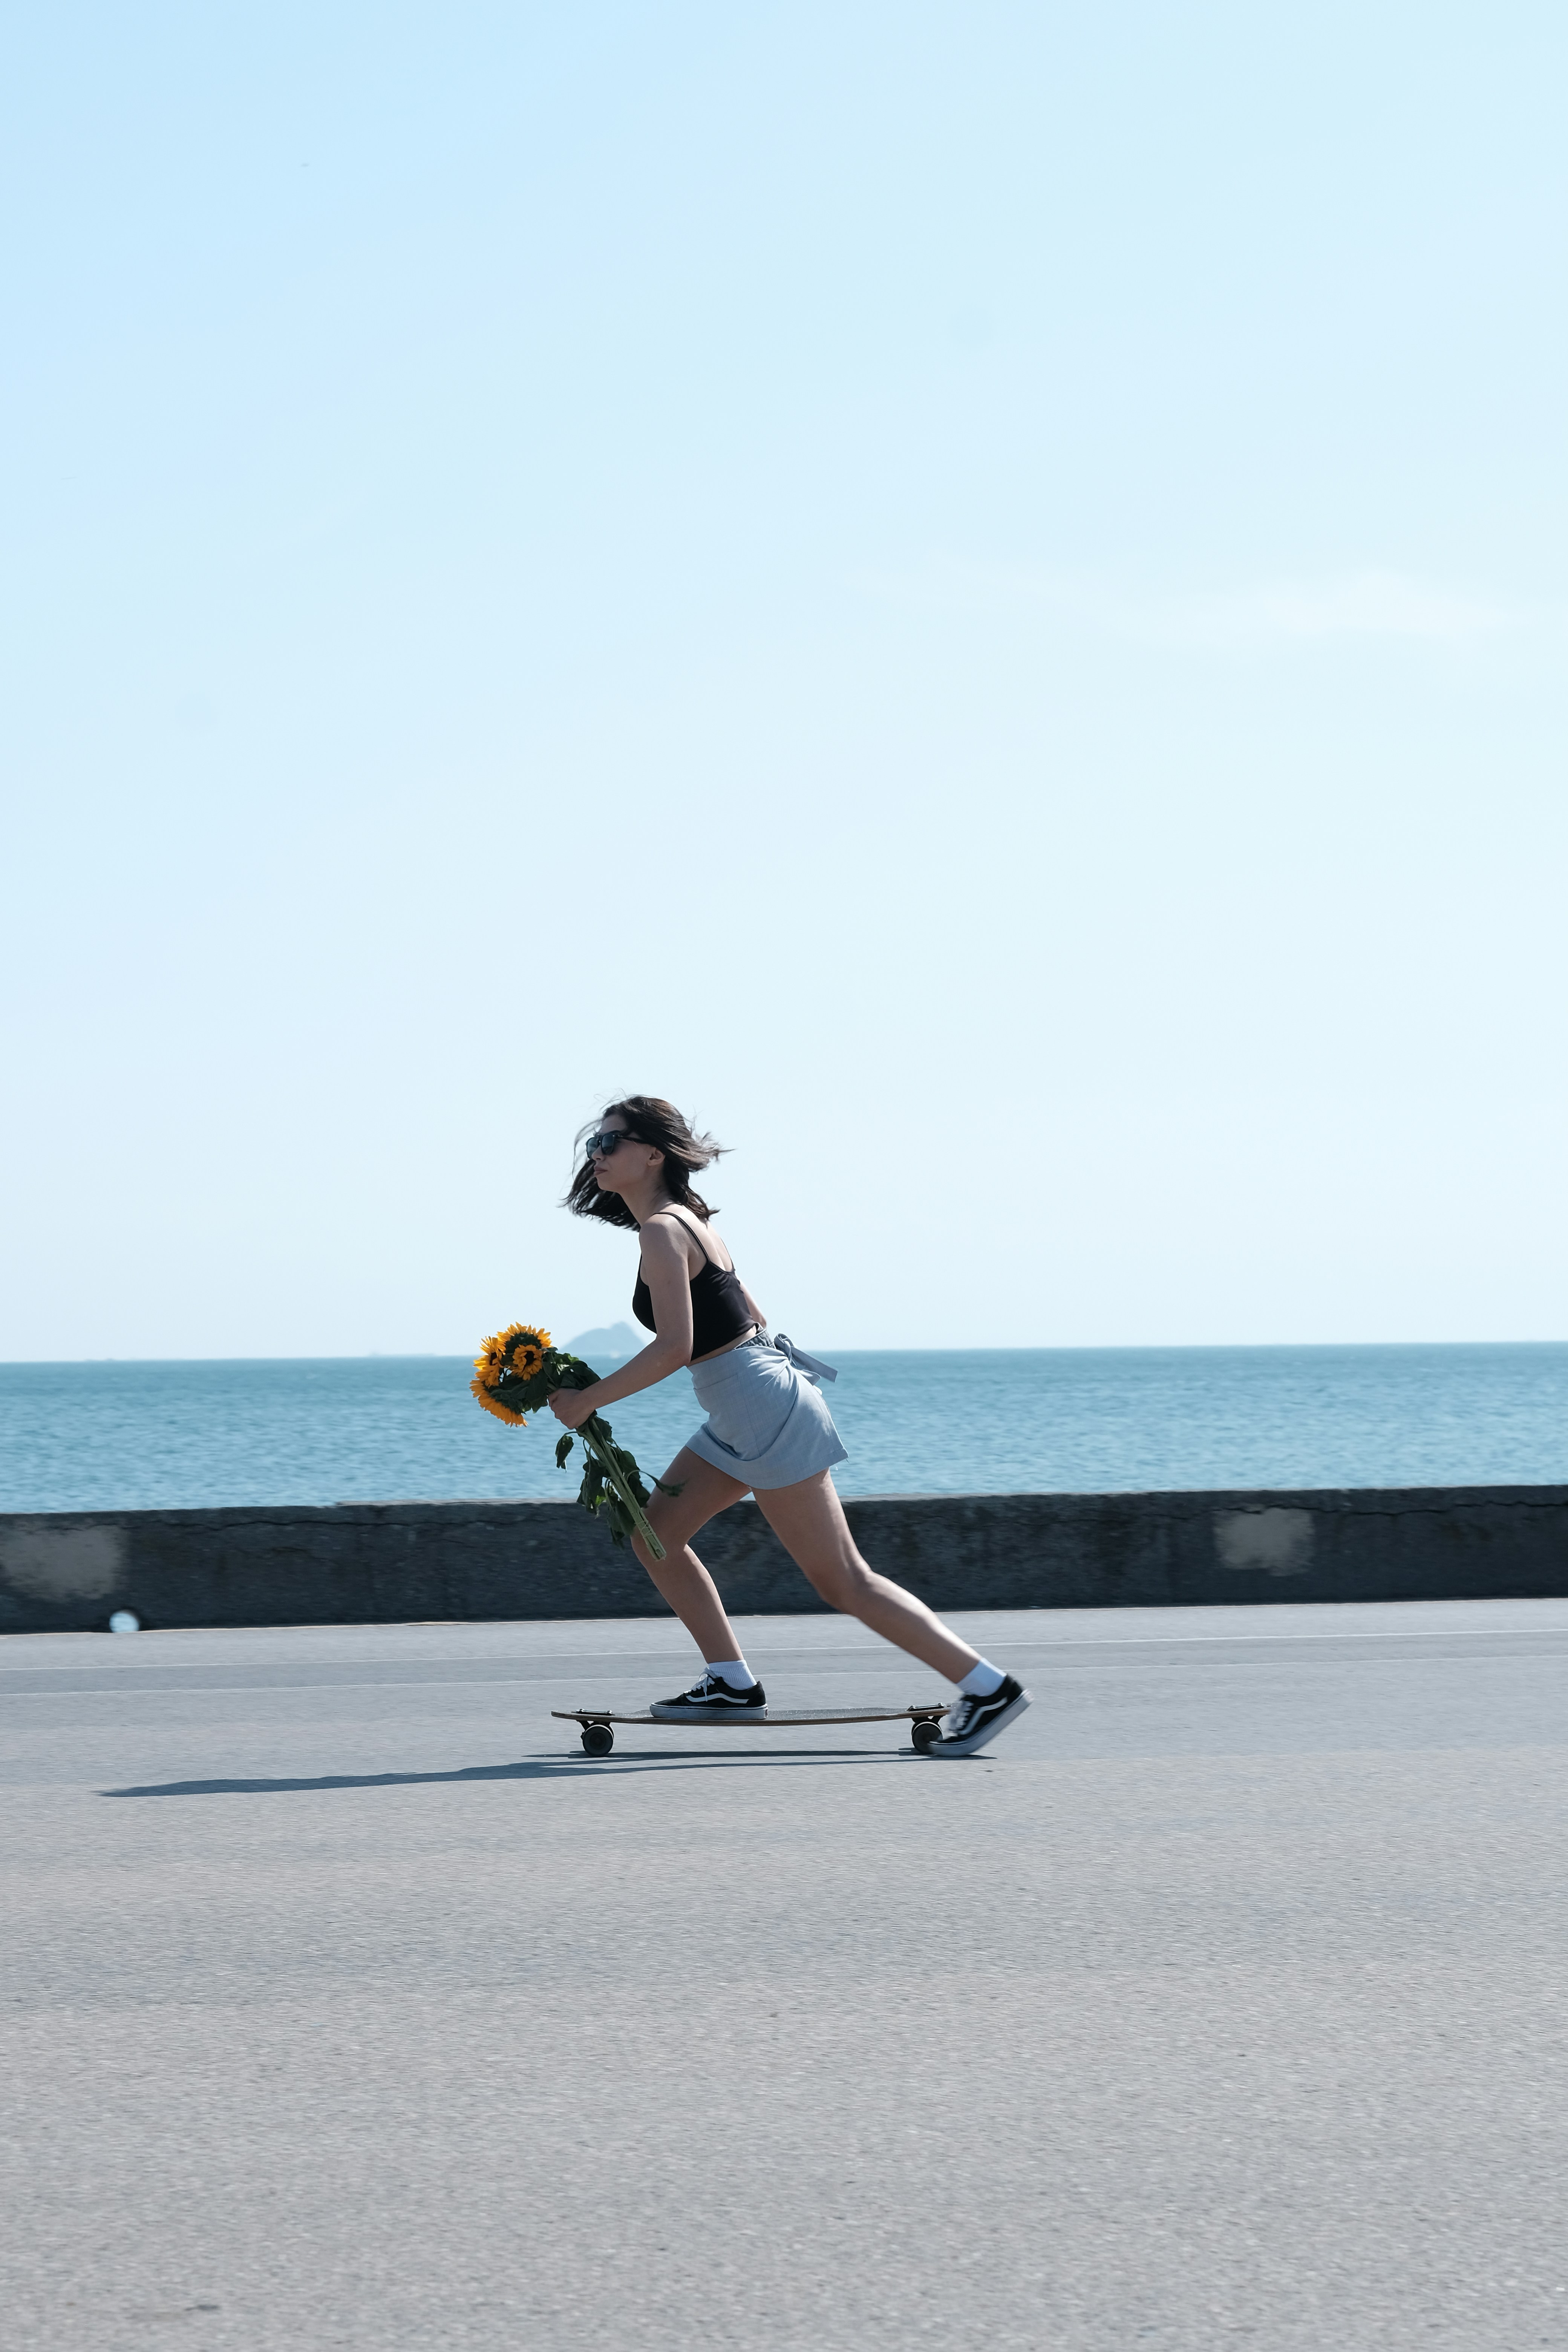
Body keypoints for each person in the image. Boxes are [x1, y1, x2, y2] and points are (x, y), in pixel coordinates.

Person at [549, 1096, 1030, 1758]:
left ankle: (989, 1686)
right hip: (746, 1401)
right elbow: (747, 1311)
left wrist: (587, 1402)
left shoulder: (665, 1230)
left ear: (653, 1153)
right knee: (655, 1535)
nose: (596, 1156)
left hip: (757, 1406)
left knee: (843, 1581)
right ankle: (731, 1683)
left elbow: (674, 1348)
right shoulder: (687, 1223)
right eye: (593, 1147)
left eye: (610, 1144)